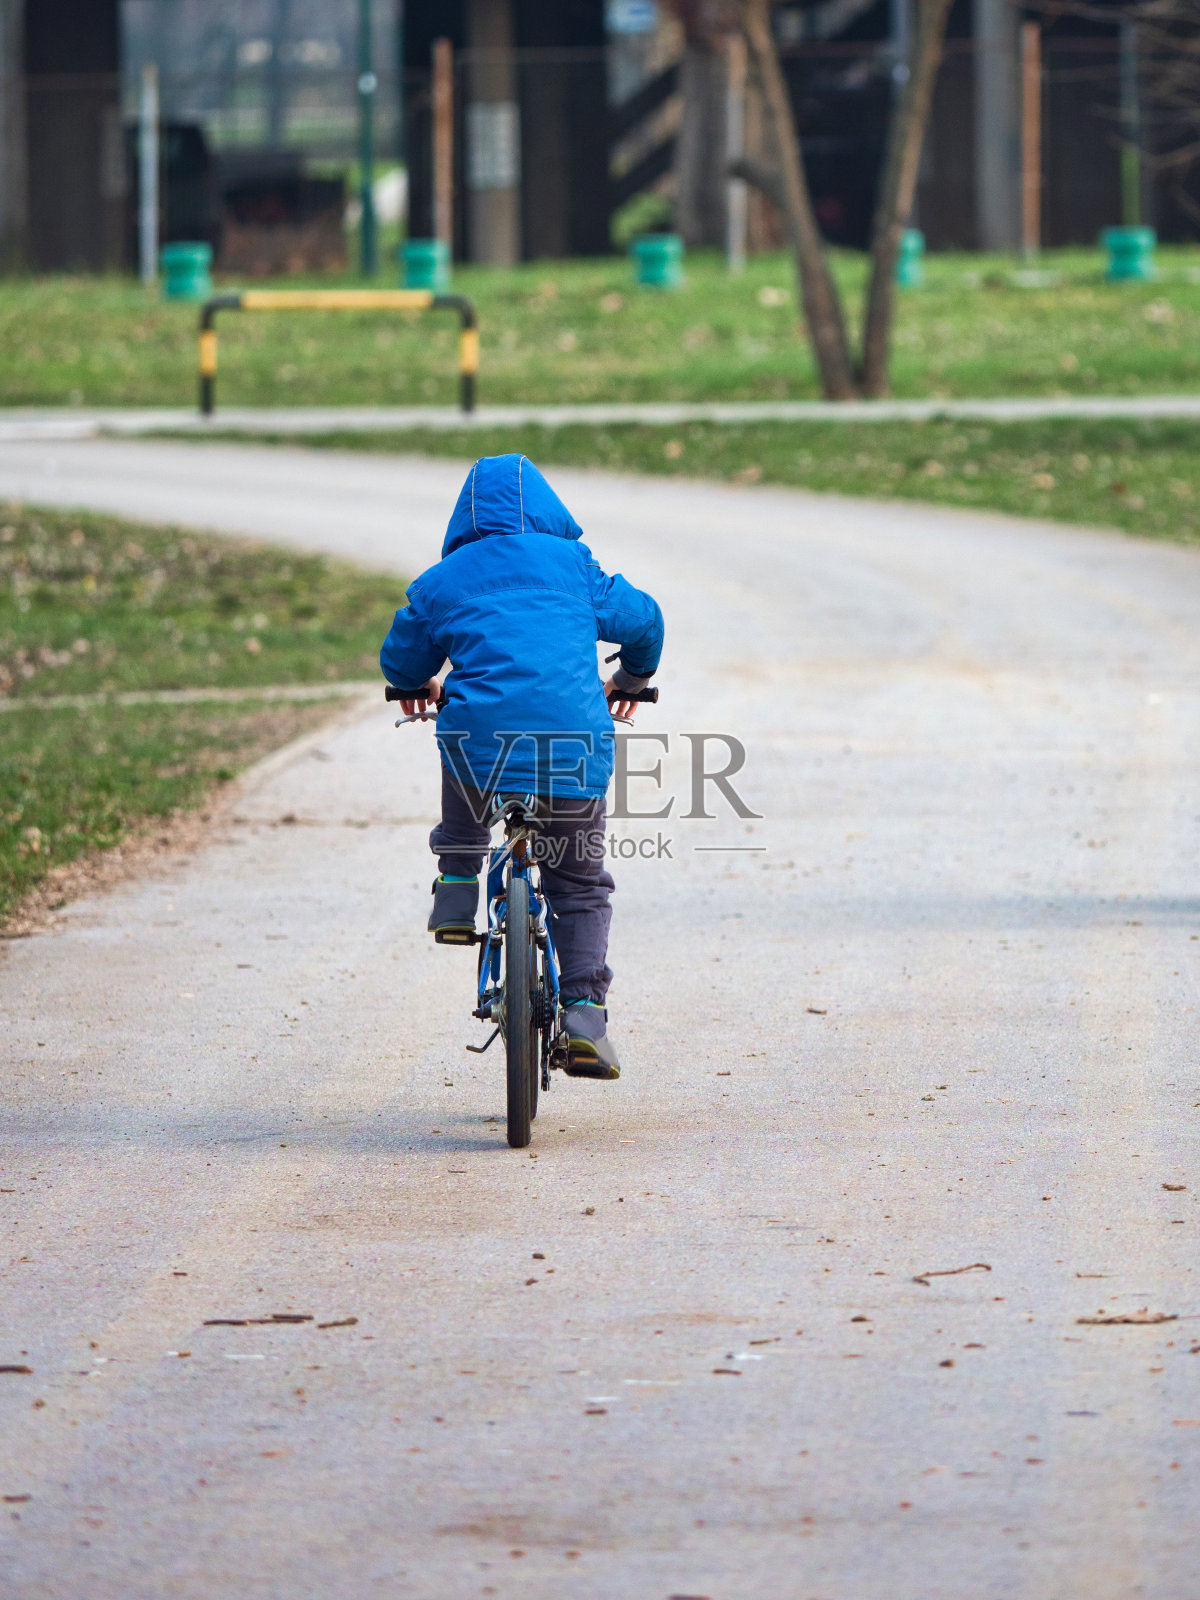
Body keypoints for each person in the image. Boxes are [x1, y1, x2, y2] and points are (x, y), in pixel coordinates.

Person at [380, 453, 664, 1080]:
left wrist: (416, 683)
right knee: (580, 884)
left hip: (482, 744)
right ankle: (585, 1014)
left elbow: (401, 654)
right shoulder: (575, 568)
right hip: (572, 743)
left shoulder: (443, 580)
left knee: (466, 744)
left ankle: (456, 886)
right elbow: (646, 620)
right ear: (549, 512)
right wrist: (632, 678)